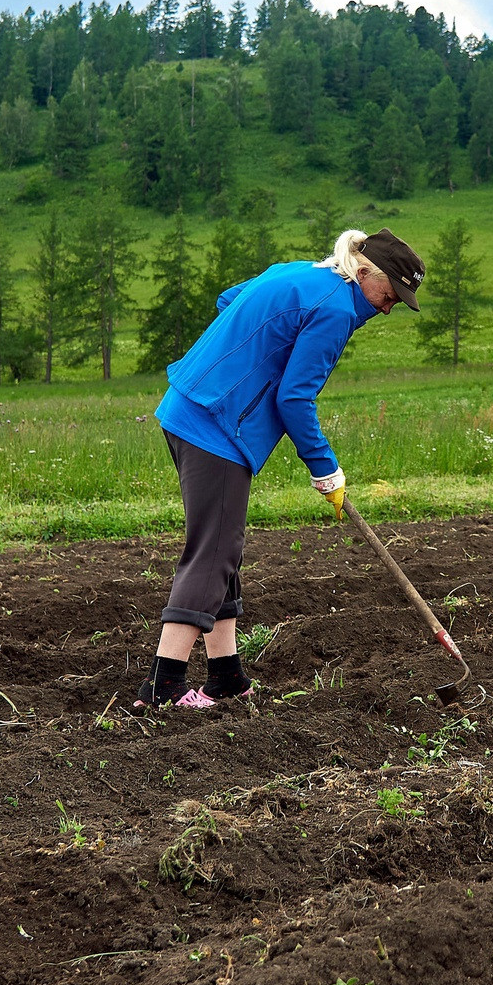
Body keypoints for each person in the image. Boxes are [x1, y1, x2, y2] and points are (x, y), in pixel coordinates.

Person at [136, 226, 426, 709]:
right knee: (213, 552)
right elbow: (295, 398)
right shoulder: (335, 310)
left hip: (190, 408)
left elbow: (229, 300)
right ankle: (163, 685)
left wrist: (248, 360)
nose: (391, 305)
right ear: (364, 272)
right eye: (391, 293)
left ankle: (225, 675)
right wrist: (325, 469)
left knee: (222, 545)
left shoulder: (300, 274)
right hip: (218, 427)